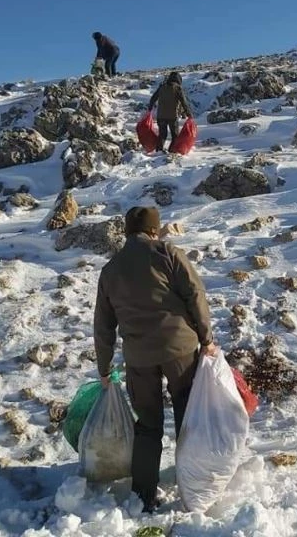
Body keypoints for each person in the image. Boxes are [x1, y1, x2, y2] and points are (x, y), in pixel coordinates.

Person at [93, 206, 216, 513]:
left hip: (139, 358)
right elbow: (195, 294)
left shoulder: (110, 270)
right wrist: (206, 338)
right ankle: (195, 486)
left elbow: (103, 325)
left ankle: (144, 496)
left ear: (127, 232)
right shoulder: (167, 253)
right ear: (154, 229)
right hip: (180, 351)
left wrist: (104, 368)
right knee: (189, 420)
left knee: (148, 426)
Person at [148, 72, 193, 152]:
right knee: (175, 136)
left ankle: (158, 152)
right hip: (172, 117)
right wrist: (189, 114)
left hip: (161, 116)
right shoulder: (177, 88)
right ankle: (171, 151)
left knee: (162, 135)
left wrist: (149, 109)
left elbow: (153, 98)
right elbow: (184, 102)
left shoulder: (162, 87)